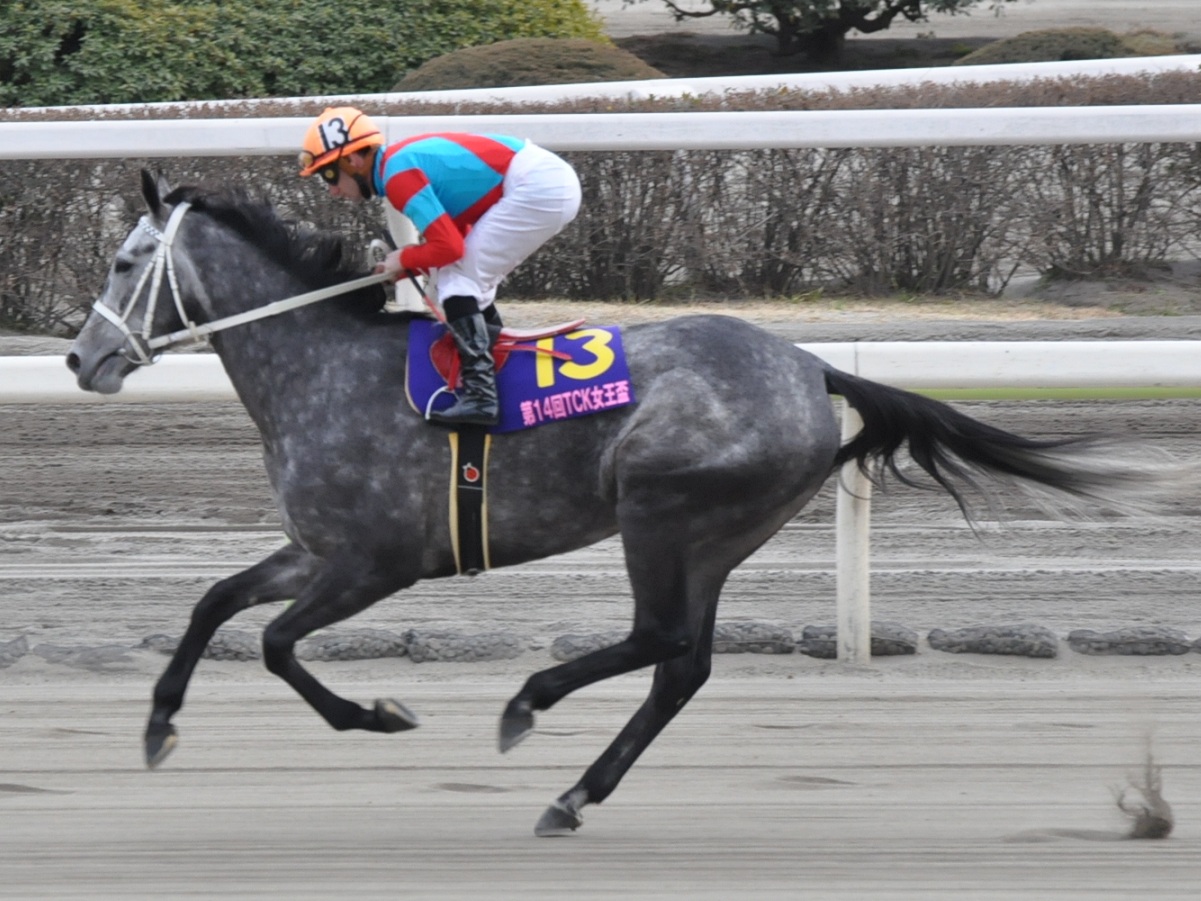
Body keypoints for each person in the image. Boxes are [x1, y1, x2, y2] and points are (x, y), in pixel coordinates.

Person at [298, 106, 582, 427]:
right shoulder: (398, 165)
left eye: (329, 175)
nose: (332, 190)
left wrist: (404, 259)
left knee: (458, 282)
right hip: (543, 181)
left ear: (353, 160)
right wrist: (408, 264)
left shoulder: (398, 176)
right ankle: (494, 372)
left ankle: (482, 397)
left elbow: (449, 247)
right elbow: (455, 236)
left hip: (539, 186)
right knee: (456, 277)